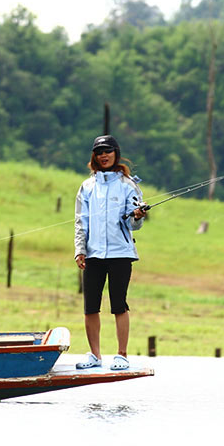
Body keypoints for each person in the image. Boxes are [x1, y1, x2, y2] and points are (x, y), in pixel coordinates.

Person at [73, 135, 147, 370]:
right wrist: (80, 250)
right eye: (99, 152)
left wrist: (136, 216)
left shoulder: (128, 185)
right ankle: (95, 355)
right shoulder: (87, 186)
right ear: (94, 156)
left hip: (121, 254)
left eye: (108, 151)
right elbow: (80, 222)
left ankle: (122, 354)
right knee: (90, 306)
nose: (103, 155)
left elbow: (134, 224)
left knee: (119, 304)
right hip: (93, 254)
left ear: (116, 153)